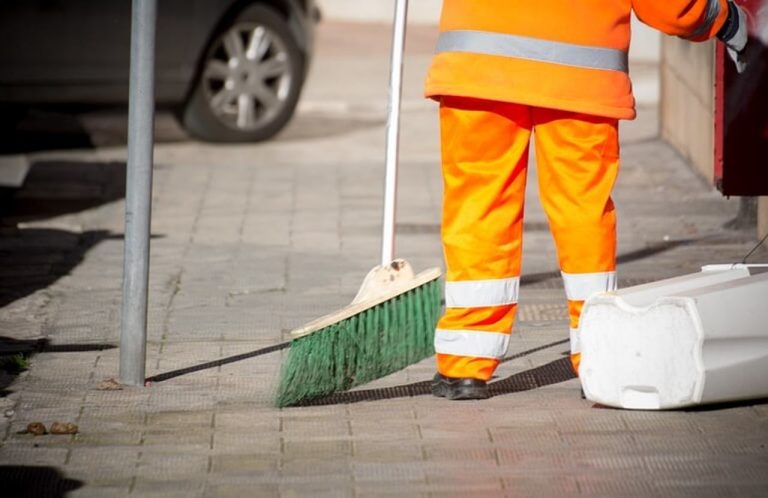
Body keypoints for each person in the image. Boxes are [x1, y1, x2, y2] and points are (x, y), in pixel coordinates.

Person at [426, 0, 749, 400]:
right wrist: (723, 18)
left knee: (478, 205)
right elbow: (670, 7)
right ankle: (596, 351)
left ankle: (465, 364)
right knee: (582, 212)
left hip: (476, 64)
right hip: (580, 75)